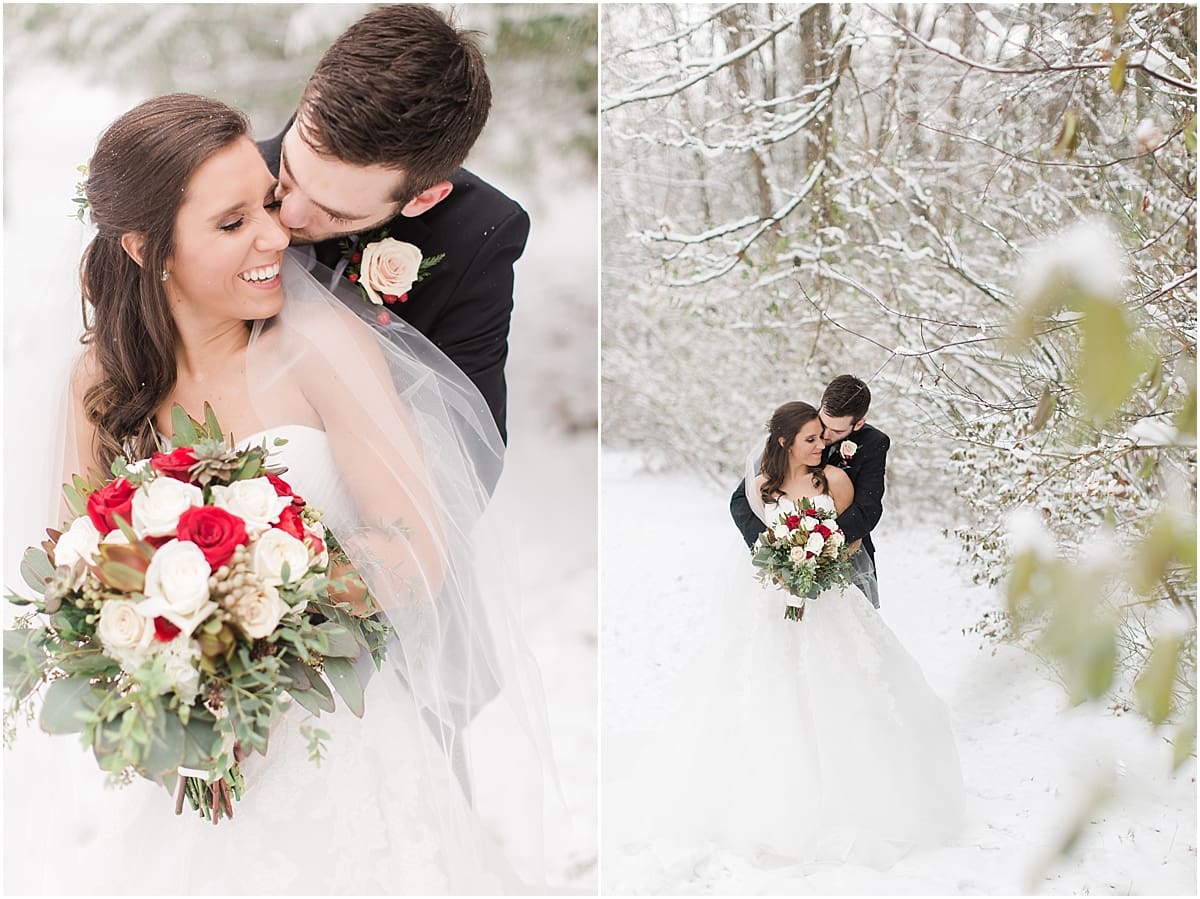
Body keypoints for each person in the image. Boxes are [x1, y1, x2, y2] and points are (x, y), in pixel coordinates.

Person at [11, 93, 551, 895]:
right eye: (232, 225)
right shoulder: (100, 382)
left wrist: (261, 596)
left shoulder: (324, 347)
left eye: (268, 203)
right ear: (144, 247)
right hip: (201, 767)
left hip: (346, 744)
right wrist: (163, 670)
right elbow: (76, 578)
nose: (276, 237)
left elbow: (421, 550)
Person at [607, 402, 963, 870]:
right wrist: (782, 562)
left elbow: (851, 534)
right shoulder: (760, 486)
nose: (822, 447)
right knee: (769, 690)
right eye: (812, 439)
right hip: (772, 601)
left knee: (844, 686)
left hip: (828, 599)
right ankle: (771, 799)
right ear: (783, 442)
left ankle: (857, 793)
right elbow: (753, 527)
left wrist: (819, 559)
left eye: (823, 437)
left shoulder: (834, 481)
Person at [257, 4, 529, 444]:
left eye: (336, 212)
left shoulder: (478, 235)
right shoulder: (218, 179)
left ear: (424, 198)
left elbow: (467, 452)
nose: (287, 217)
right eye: (290, 171)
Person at [730, 374, 888, 607]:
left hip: (842, 556)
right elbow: (741, 500)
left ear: (858, 424)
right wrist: (776, 555)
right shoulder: (799, 429)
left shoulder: (874, 444)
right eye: (824, 423)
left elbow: (867, 510)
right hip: (780, 562)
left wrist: (817, 552)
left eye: (835, 431)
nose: (824, 437)